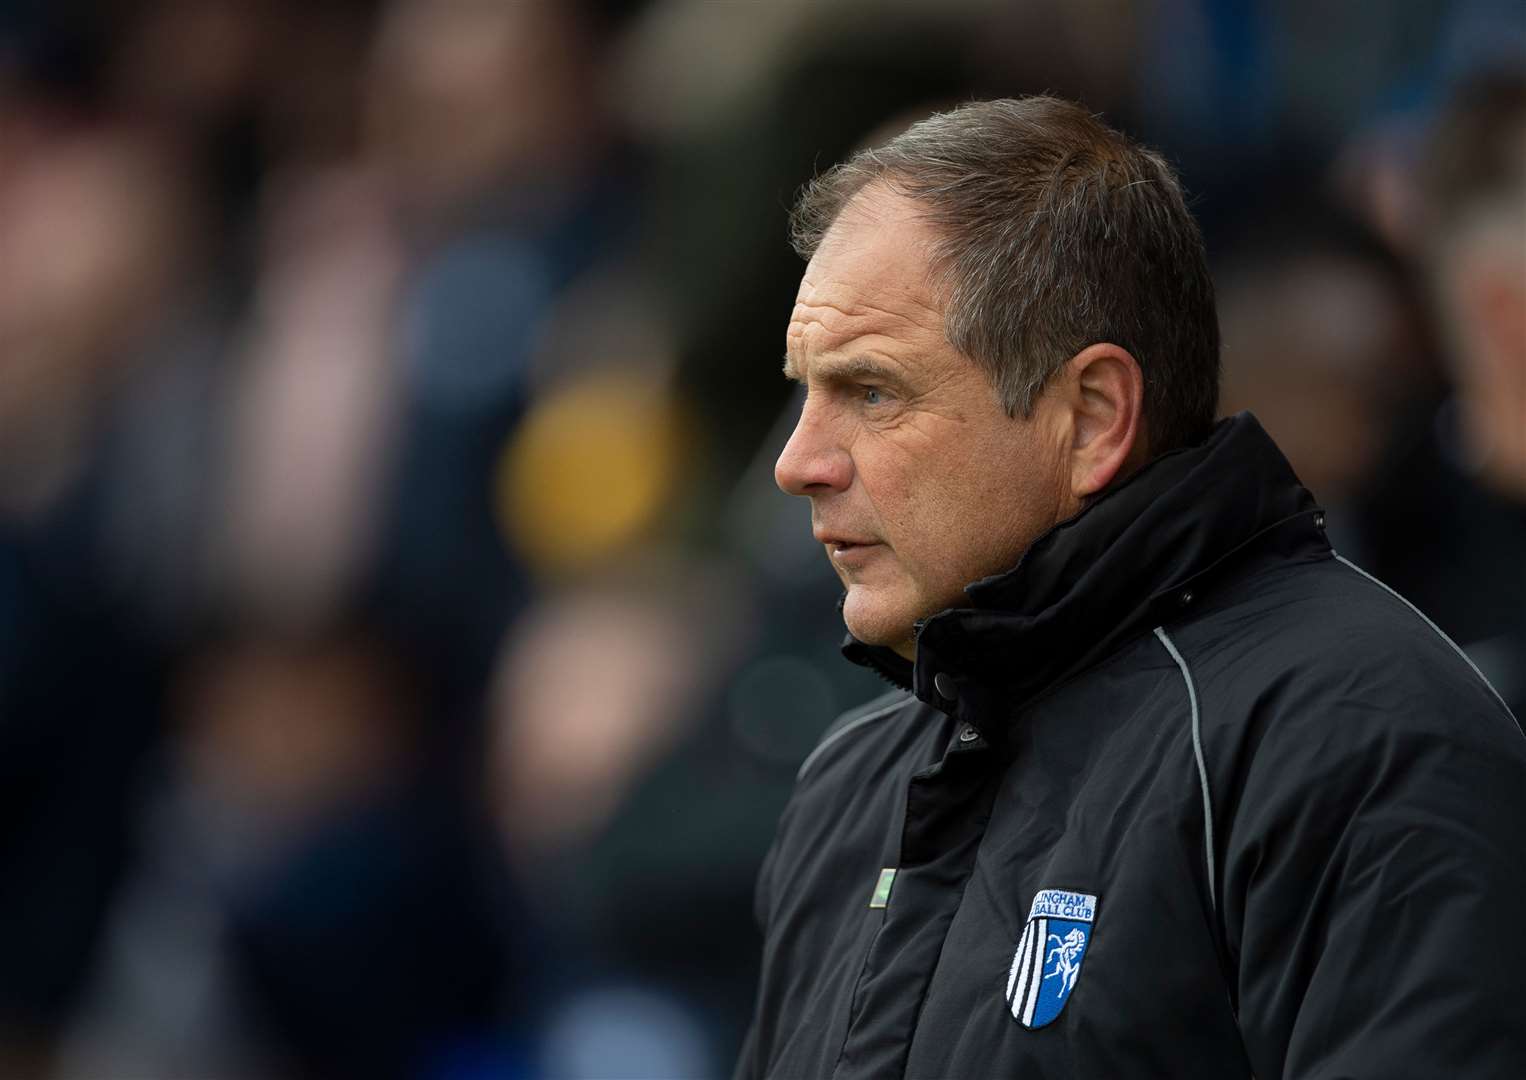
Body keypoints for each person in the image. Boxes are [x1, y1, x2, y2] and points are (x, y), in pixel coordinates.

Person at [734, 97, 1526, 1080]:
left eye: (870, 391)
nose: (797, 462)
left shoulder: (1357, 733)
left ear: (1093, 417)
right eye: (803, 392)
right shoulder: (848, 789)